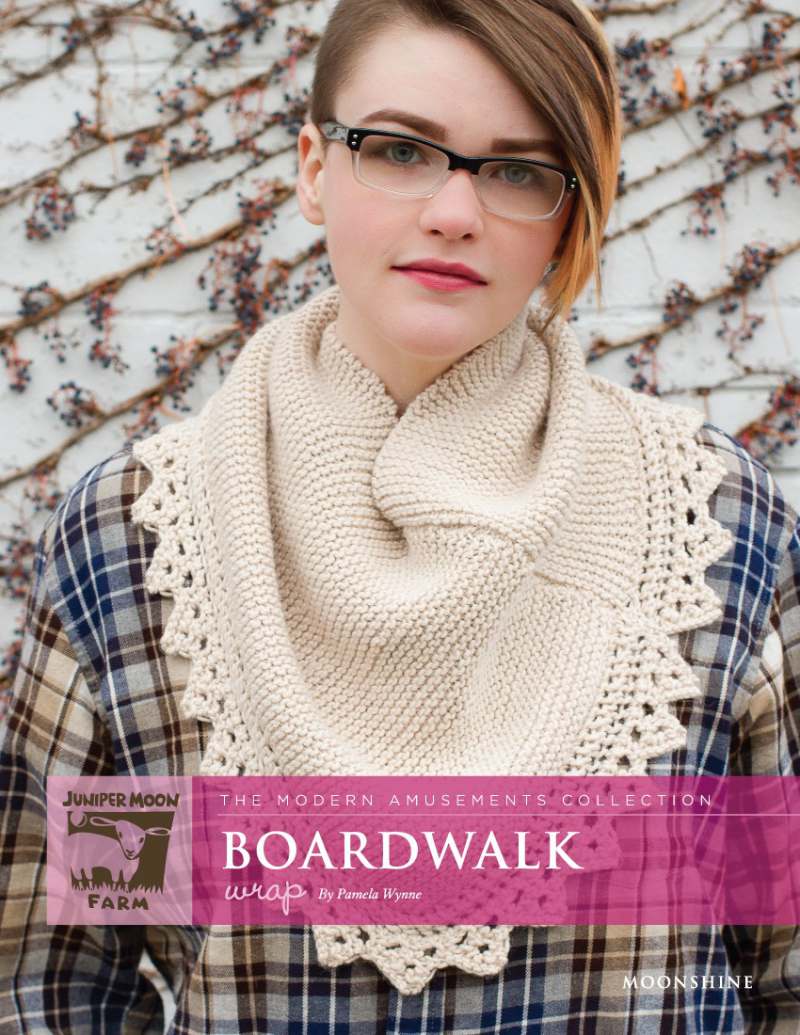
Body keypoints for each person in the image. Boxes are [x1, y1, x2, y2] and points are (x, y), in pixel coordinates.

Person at [1, 0, 799, 1031]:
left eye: (519, 170)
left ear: (570, 214)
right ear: (312, 168)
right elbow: (59, 985)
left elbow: (781, 968)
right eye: (399, 149)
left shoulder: (716, 526)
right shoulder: (133, 542)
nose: (454, 211)